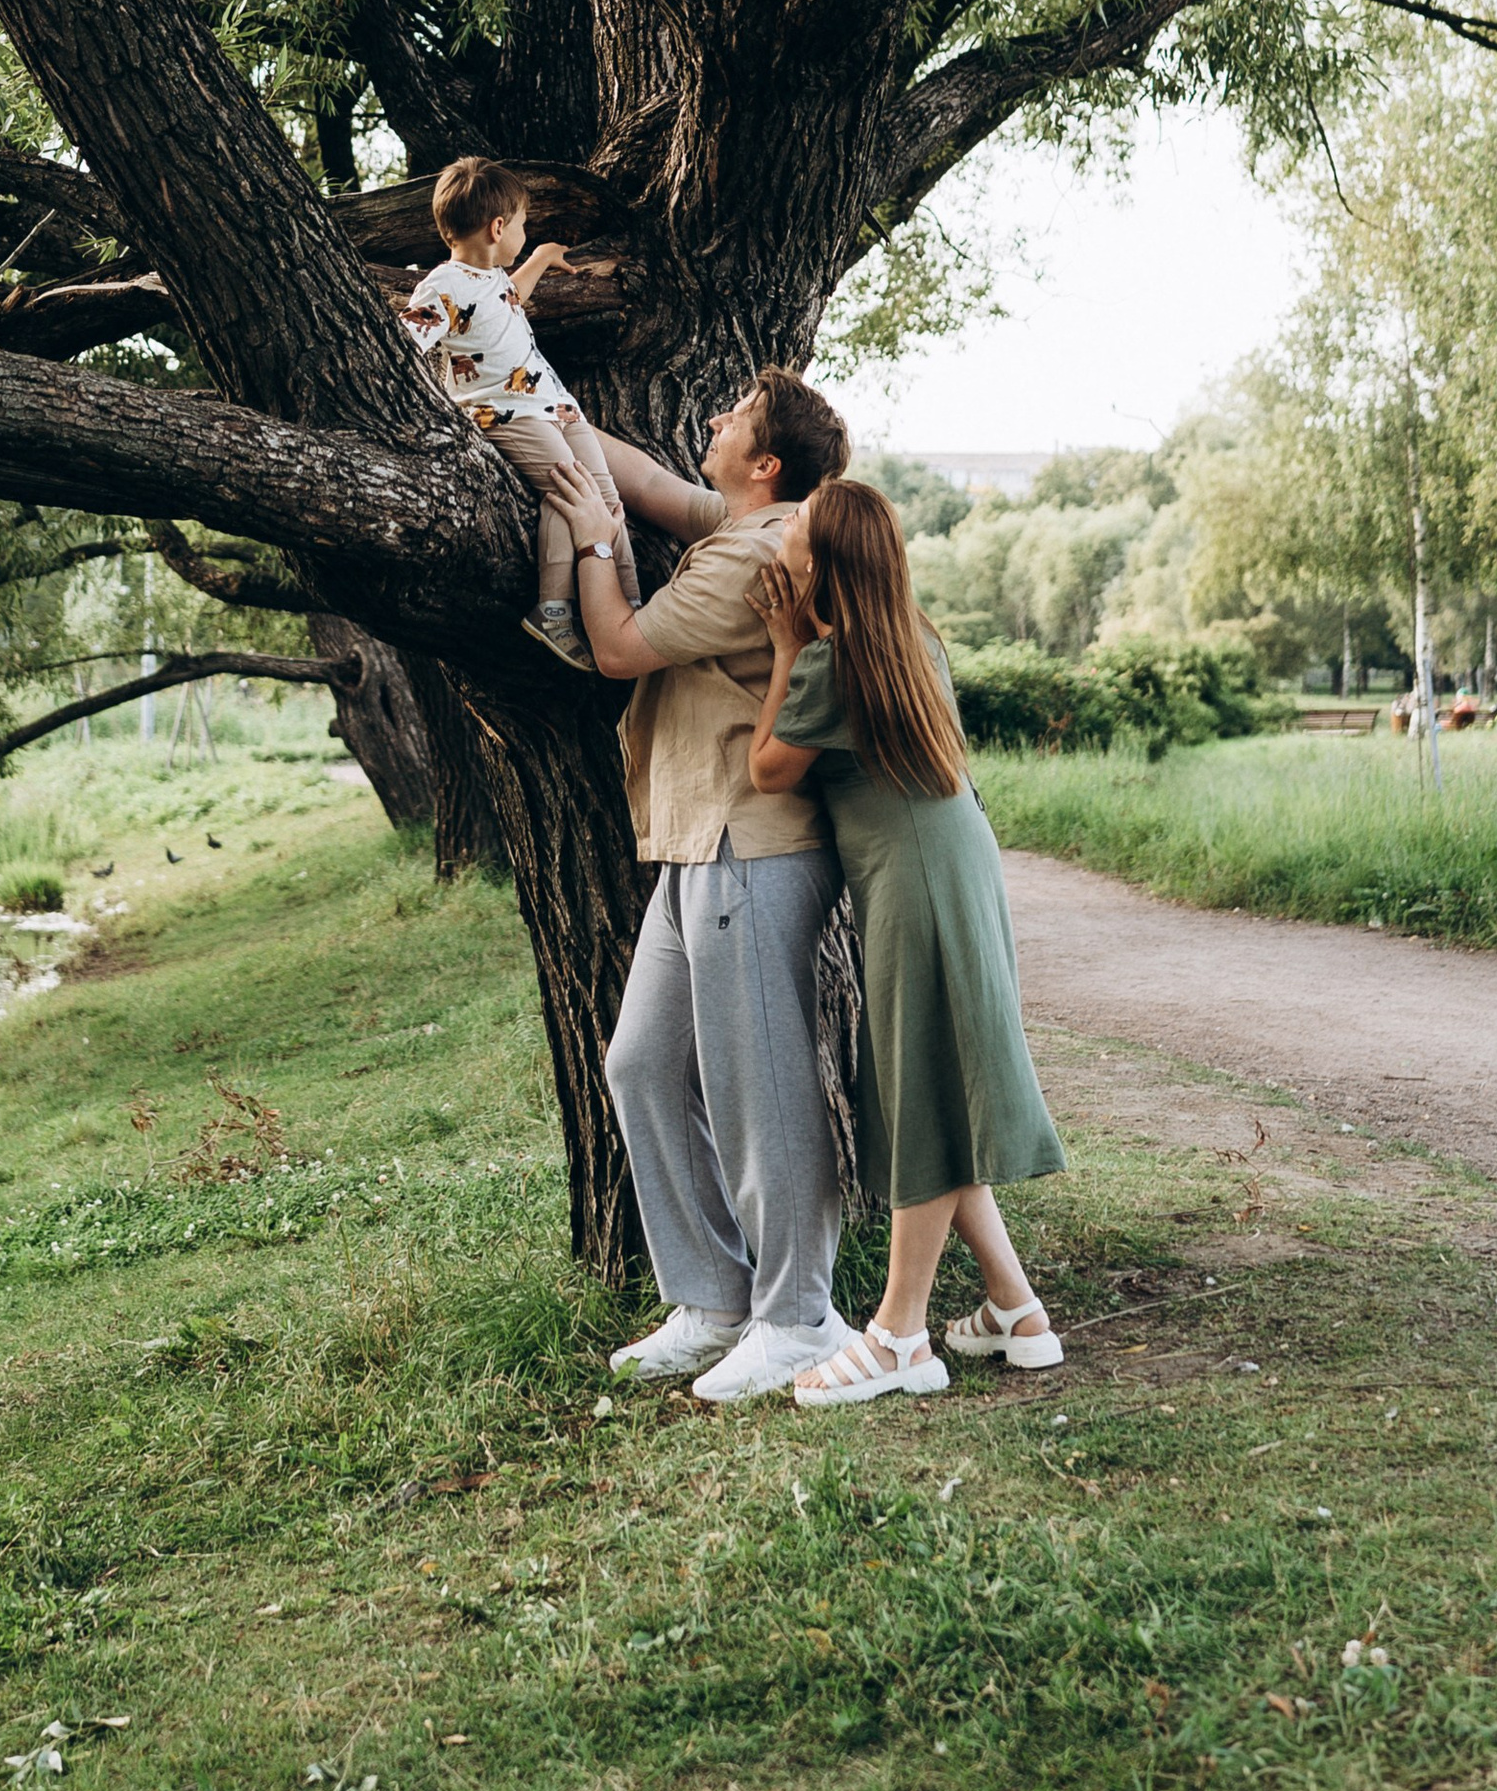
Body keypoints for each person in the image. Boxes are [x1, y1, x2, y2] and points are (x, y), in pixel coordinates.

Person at [555, 366, 857, 1405]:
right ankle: (716, 1299)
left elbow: (616, 647)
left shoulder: (761, 553)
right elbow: (636, 476)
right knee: (640, 1065)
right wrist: (539, 409)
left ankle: (800, 1317)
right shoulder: (737, 524)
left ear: (766, 464)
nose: (713, 420)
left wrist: (595, 542)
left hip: (752, 842)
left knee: (758, 1087)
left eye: (733, 418)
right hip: (694, 840)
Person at [746, 478, 1067, 1407]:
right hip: (960, 866)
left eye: (798, 529)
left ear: (825, 561)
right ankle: (1016, 1311)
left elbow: (765, 771)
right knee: (935, 1085)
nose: (786, 536)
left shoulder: (828, 663)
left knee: (920, 1094)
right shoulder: (911, 640)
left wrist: (781, 647)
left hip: (912, 887)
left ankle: (898, 1336)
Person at [399, 155, 711, 669]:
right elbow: (405, 341)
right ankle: (554, 609)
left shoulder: (492, 274)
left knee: (606, 496)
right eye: (524, 225)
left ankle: (629, 603)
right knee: (570, 492)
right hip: (507, 413)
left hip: (554, 405)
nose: (525, 231)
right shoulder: (444, 284)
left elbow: (508, 301)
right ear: (498, 227)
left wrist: (541, 256)